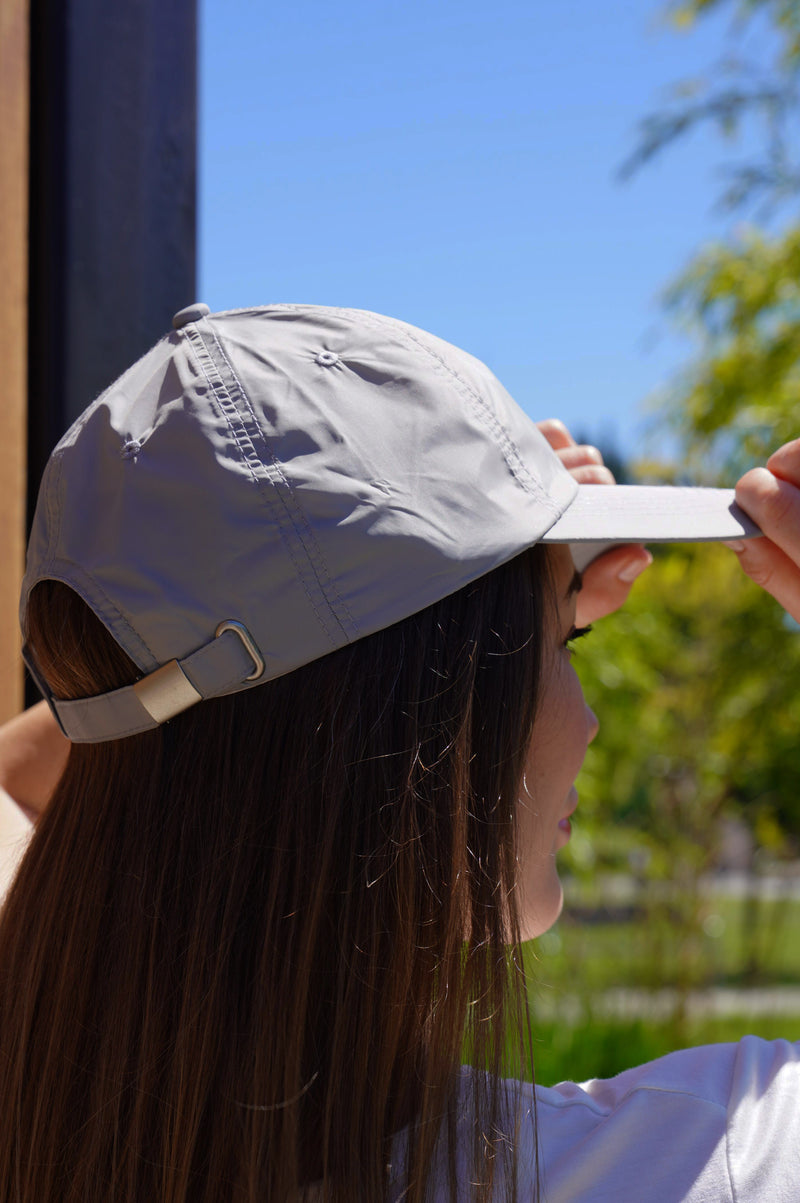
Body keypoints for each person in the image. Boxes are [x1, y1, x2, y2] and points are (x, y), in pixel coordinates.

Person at [0, 302, 797, 1203]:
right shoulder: (704, 1165)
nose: (589, 720)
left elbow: (85, 746)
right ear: (423, 719)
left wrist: (469, 614)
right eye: (565, 648)